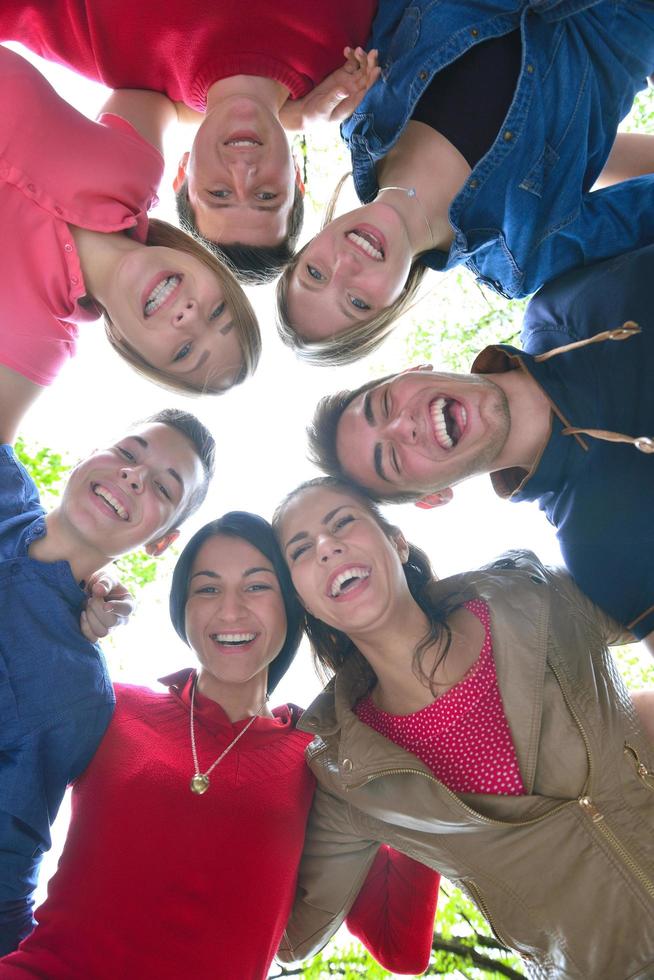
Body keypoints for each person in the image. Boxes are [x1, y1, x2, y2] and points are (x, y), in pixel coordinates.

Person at [0, 513, 440, 977]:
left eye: (256, 587)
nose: (230, 611)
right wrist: (82, 584)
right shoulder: (109, 705)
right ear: (182, 609)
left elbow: (400, 945)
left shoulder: (326, 759)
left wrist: (418, 735)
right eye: (207, 589)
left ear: (292, 605)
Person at [272, 477, 654, 979]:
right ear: (302, 599)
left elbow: (644, 588)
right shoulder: (347, 775)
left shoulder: (537, 596)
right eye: (301, 550)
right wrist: (244, 758)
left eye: (343, 522)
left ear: (397, 540)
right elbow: (289, 938)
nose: (326, 547)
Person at [306, 243, 654, 649]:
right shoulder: (600, 551)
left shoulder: (562, 299)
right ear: (435, 497)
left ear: (414, 370)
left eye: (385, 405)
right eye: (393, 458)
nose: (405, 426)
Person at [276, 0, 654, 365]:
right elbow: (640, 205)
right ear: (391, 305)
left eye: (315, 272)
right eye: (357, 302)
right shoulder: (519, 258)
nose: (345, 266)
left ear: (310, 242)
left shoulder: (357, 107)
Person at [0, 408, 215, 955]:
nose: (134, 477)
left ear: (160, 541)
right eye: (127, 453)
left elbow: (9, 862)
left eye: (163, 488)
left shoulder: (74, 693)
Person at [0, 1, 379, 283]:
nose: (243, 171)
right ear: (296, 177)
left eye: (219, 193)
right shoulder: (351, 49)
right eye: (266, 196)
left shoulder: (108, 53)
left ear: (182, 173)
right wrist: (291, 114)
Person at [0, 44, 260, 444]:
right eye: (218, 310)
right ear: (211, 267)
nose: (190, 317)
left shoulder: (39, 347)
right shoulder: (135, 168)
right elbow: (164, 99)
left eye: (184, 352)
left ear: (133, 350)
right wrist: (279, 113)